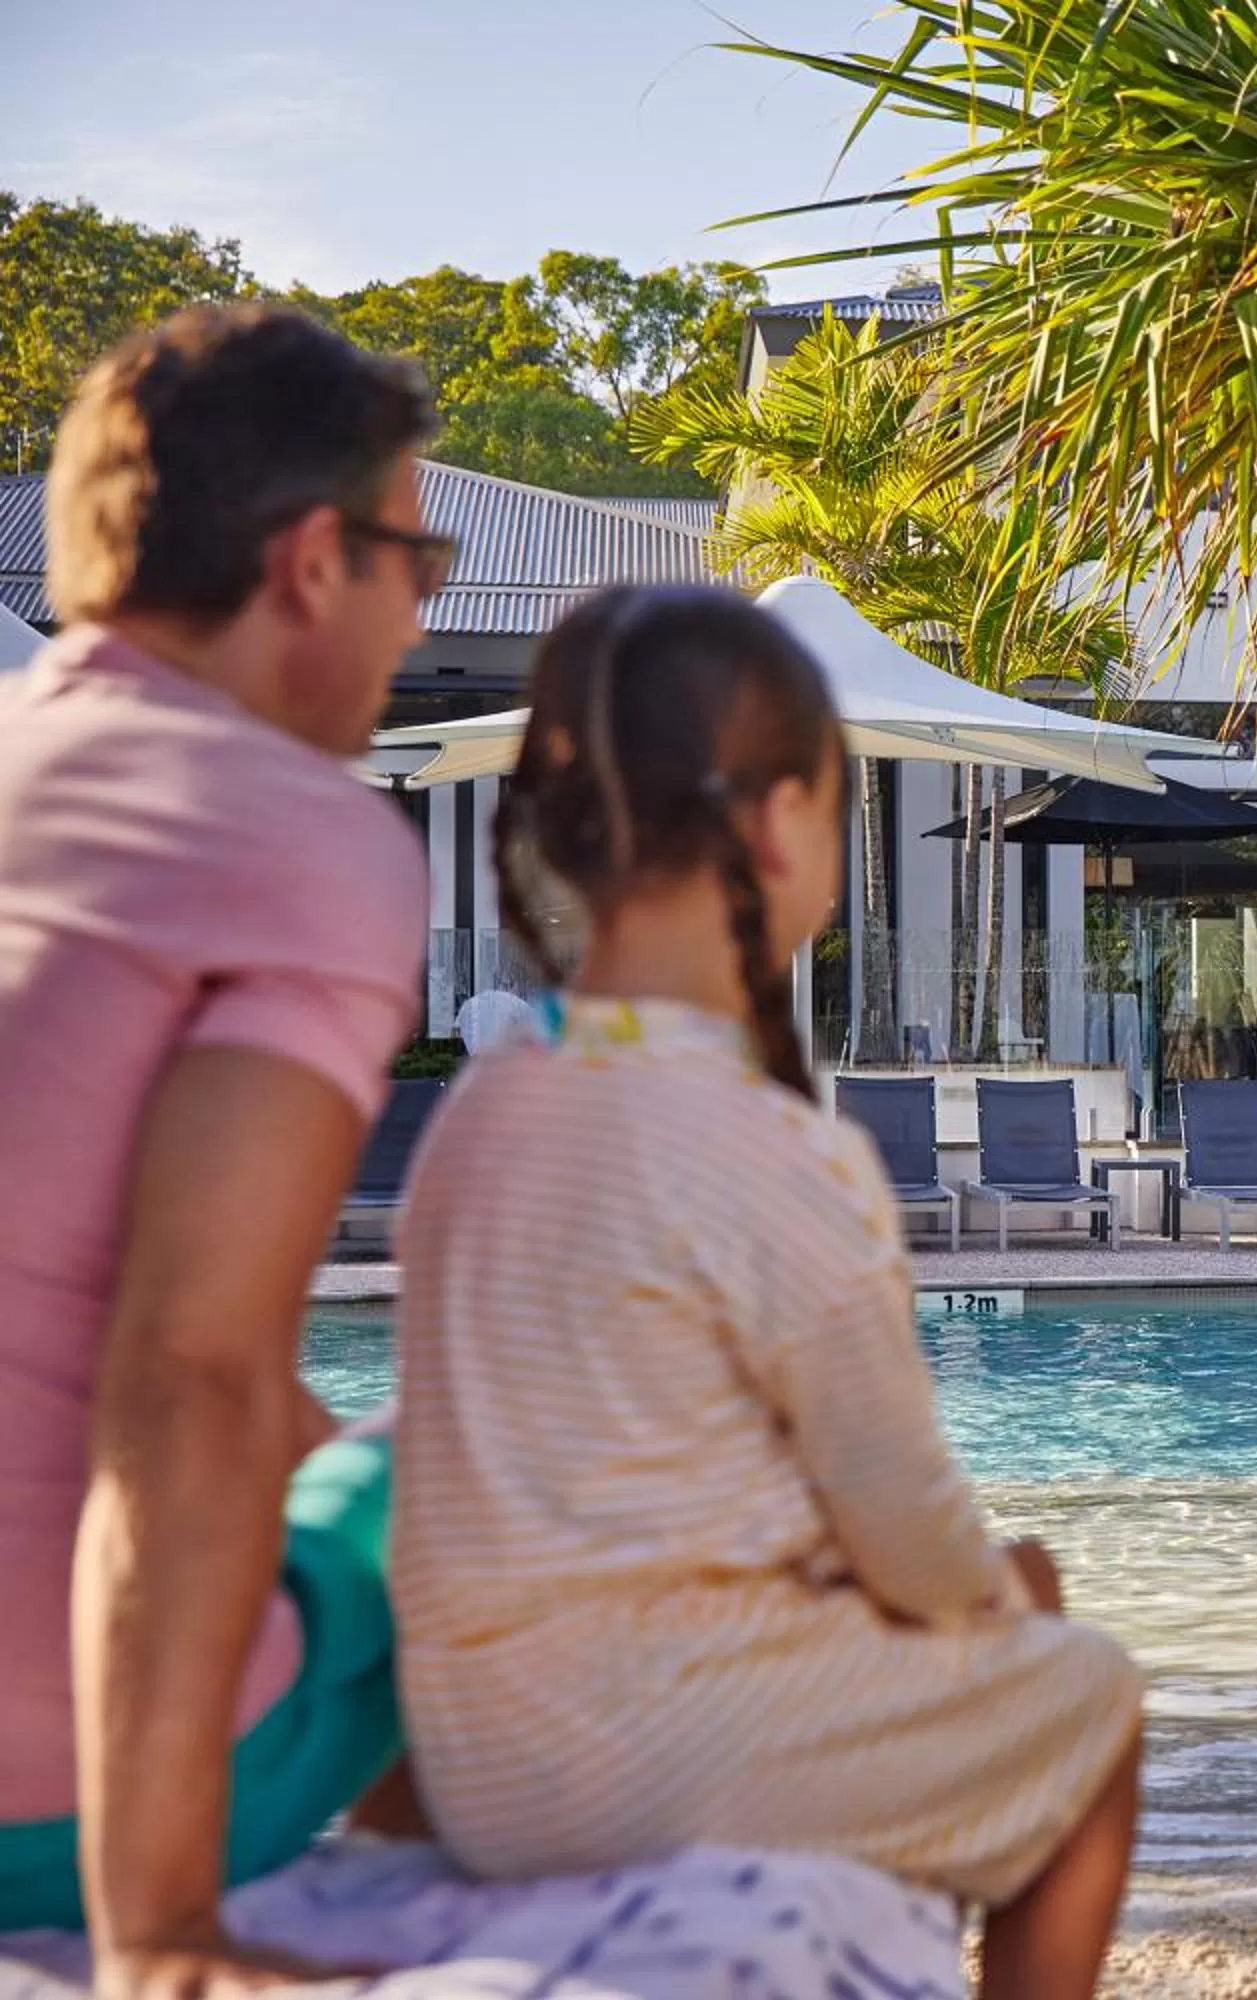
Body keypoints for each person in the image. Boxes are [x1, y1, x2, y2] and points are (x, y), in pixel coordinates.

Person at [388, 587, 1145, 2000]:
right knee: (1087, 1692)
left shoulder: (482, 1120)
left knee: (1012, 1597)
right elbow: (910, 1534)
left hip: (480, 1753)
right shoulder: (775, 1149)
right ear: (785, 826)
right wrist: (992, 1602)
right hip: (665, 1752)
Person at [0, 308, 444, 1980]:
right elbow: (184, 1378)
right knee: (460, 1455)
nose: (428, 608)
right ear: (314, 562)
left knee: (319, 1433)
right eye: (418, 553)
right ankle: (423, 1871)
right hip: (37, 1812)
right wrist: (161, 1932)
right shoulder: (293, 834)